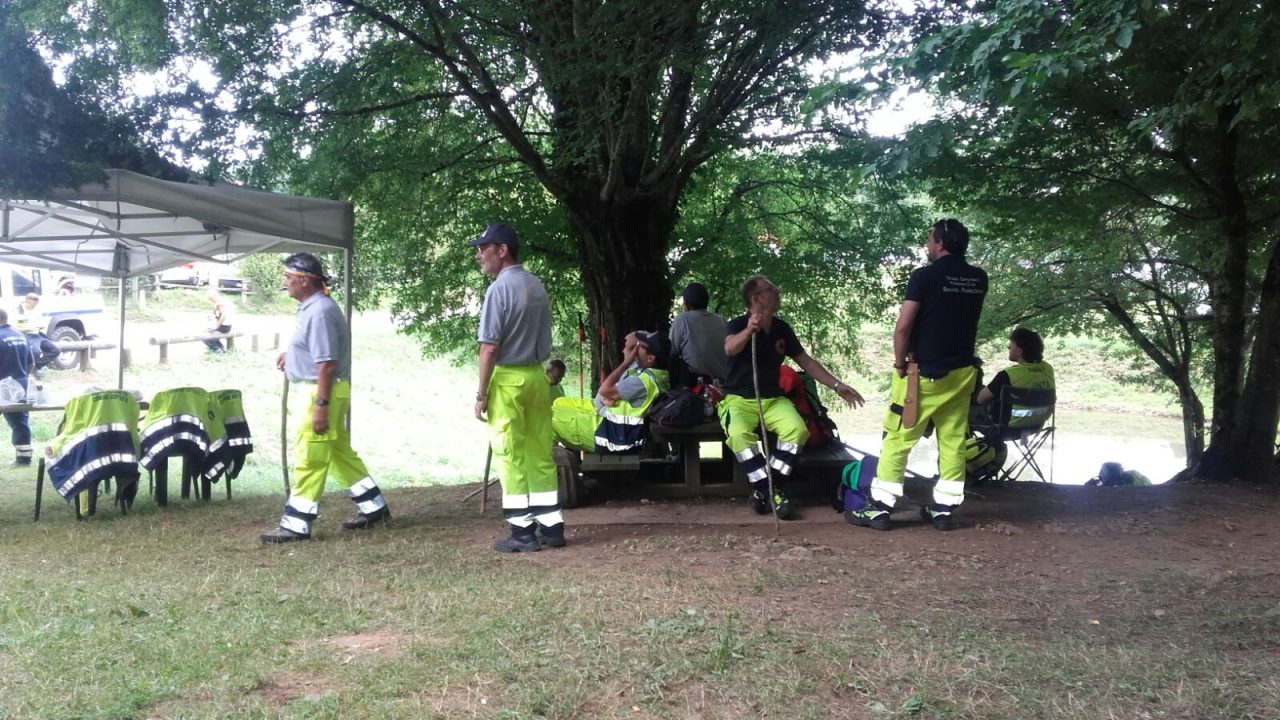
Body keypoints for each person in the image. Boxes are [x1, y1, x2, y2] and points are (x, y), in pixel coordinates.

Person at [852, 218, 988, 532]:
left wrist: (900, 363)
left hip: (923, 374)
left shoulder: (924, 276)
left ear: (940, 242)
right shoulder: (979, 278)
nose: (927, 246)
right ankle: (943, 509)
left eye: (930, 240)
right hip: (963, 374)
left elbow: (903, 326)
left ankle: (880, 508)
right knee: (953, 440)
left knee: (898, 437)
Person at [260, 253, 391, 544]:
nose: (285, 282)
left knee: (309, 456)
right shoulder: (313, 307)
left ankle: (296, 524)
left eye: (288, 276)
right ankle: (374, 507)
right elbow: (317, 351)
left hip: (319, 392)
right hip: (326, 389)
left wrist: (321, 405)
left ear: (305, 280)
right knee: (339, 453)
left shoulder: (319, 311)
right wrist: (292, 355)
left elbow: (327, 363)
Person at [721, 275, 865, 519]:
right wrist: (749, 330)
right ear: (757, 298)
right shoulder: (737, 325)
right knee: (738, 435)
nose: (777, 290)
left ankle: (767, 490)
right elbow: (729, 347)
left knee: (797, 430)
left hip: (773, 399)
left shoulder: (781, 328)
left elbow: (806, 361)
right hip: (740, 399)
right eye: (770, 288)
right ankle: (769, 490)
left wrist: (837, 385)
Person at [471, 222, 563, 553]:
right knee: (539, 452)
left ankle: (521, 531)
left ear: (503, 250)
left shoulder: (498, 290)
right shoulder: (536, 285)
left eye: (484, 248)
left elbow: (489, 348)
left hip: (508, 379)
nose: (479, 255)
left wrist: (481, 394)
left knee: (509, 453)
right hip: (538, 378)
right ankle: (551, 527)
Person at [551, 330, 670, 453]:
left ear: (650, 358)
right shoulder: (654, 375)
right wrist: (610, 396)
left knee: (548, 417)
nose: (630, 352)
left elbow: (604, 391)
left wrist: (626, 363)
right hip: (616, 432)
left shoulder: (642, 382)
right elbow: (607, 395)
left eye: (638, 347)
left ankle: (549, 466)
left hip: (612, 438)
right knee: (558, 403)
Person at [973, 326, 1055, 429]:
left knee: (968, 406)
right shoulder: (1048, 368)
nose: (1008, 347)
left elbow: (979, 399)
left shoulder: (1008, 375)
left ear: (1019, 351)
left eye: (1011, 344)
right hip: (1037, 423)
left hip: (1009, 426)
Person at [668, 282, 728, 388]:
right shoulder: (721, 321)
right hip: (722, 383)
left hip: (694, 384)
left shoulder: (682, 319)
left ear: (686, 303)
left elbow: (671, 350)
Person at [0, 309, 35, 465]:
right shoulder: (20, 336)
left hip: (2, 386)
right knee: (20, 422)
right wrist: (21, 378)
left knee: (19, 422)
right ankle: (24, 458)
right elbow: (31, 363)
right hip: (21, 385)